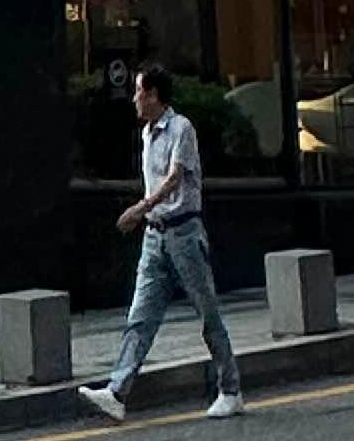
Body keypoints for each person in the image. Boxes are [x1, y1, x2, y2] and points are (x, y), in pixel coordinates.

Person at [82, 63, 242, 420]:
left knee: (207, 314)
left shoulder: (182, 128)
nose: (135, 99)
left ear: (153, 95)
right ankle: (117, 392)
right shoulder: (146, 133)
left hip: (184, 234)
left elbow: (174, 179)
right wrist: (147, 215)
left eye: (139, 91)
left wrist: (139, 208)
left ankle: (231, 390)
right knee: (140, 316)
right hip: (155, 237)